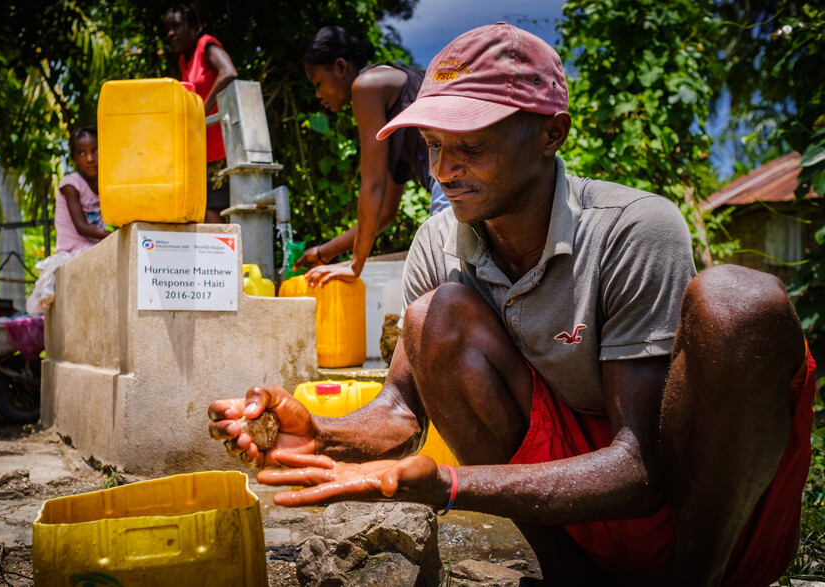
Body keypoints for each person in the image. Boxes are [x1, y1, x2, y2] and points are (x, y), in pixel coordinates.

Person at [208, 23, 816, 587]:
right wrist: (321, 433)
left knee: (739, 303)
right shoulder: (439, 244)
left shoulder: (634, 230)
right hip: (574, 506)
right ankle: (571, 577)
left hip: (701, 516)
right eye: (432, 145)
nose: (444, 169)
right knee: (434, 316)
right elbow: (400, 413)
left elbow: (642, 471)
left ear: (551, 133)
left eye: (470, 144)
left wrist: (448, 484)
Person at [294, 26, 449, 286]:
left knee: (447, 283)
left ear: (340, 67)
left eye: (318, 83)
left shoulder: (366, 85)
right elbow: (385, 213)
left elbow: (373, 186)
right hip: (473, 176)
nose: (318, 95)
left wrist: (355, 266)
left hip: (452, 180)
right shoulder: (397, 116)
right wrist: (324, 253)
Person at [164, 3, 237, 224]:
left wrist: (200, 111)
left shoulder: (206, 45)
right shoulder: (183, 61)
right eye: (168, 28)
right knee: (203, 213)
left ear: (194, 28)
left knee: (215, 215)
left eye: (176, 26)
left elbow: (229, 73)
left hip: (222, 150)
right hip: (200, 152)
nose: (171, 33)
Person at [54, 125, 109, 255]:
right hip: (72, 250)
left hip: (95, 246)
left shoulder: (105, 184)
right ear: (74, 158)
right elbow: (82, 227)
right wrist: (115, 236)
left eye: (95, 151)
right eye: (82, 153)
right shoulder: (71, 185)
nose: (90, 159)